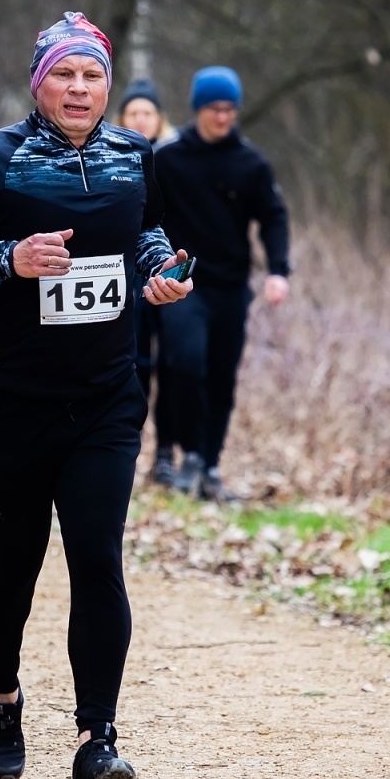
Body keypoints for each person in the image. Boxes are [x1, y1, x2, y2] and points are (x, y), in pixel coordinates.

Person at [0, 12, 193, 779]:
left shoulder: (137, 156)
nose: (79, 88)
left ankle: (96, 742)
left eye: (92, 75)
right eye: (64, 75)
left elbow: (146, 234)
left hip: (106, 395)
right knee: (15, 557)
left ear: (109, 84)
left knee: (97, 553)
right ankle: (1, 700)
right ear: (40, 82)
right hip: (11, 397)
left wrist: (162, 269)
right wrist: (9, 258)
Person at [153, 65, 291, 502]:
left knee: (221, 377)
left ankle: (210, 466)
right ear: (198, 109)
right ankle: (188, 452)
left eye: (230, 109)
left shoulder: (250, 163)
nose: (224, 116)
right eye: (215, 108)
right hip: (181, 282)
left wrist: (278, 270)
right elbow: (142, 213)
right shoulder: (168, 159)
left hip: (231, 286)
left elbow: (273, 218)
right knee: (185, 363)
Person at [116, 79, 179, 485]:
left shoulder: (178, 160)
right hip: (125, 278)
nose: (140, 119)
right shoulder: (111, 158)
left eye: (147, 113)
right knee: (134, 364)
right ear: (121, 119)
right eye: (133, 113)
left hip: (171, 273)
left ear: (160, 120)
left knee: (172, 366)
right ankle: (125, 448)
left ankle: (167, 456)